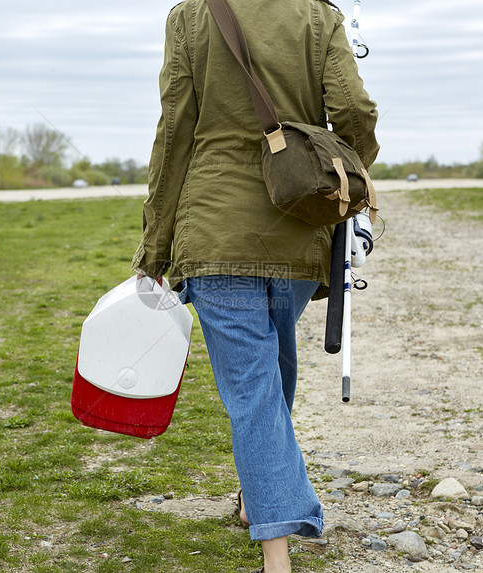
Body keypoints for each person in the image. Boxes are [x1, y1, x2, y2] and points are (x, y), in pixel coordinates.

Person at [132, 0, 378, 570]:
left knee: (255, 389)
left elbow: (174, 136)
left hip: (215, 230)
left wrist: (155, 245)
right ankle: (256, 499)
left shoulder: (191, 15)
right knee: (268, 377)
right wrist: (345, 173)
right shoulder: (319, 16)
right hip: (297, 223)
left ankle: (276, 555)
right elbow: (355, 110)